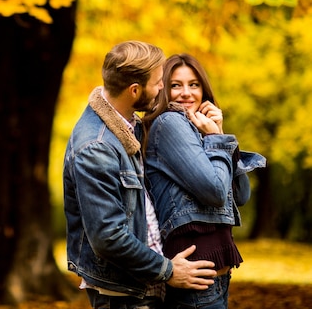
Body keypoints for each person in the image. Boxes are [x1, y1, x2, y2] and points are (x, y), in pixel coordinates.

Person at [63, 42, 217, 309]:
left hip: (143, 285)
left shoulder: (127, 126)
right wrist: (169, 271)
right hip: (124, 295)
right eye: (159, 82)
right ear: (135, 90)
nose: (162, 88)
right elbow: (108, 237)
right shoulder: (97, 147)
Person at [142, 53, 266, 309]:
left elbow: (241, 196)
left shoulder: (199, 131)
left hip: (215, 277)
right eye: (176, 85)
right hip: (195, 277)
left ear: (204, 90)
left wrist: (219, 134)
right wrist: (216, 140)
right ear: (163, 89)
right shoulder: (169, 123)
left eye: (194, 84)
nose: (186, 93)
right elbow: (216, 192)